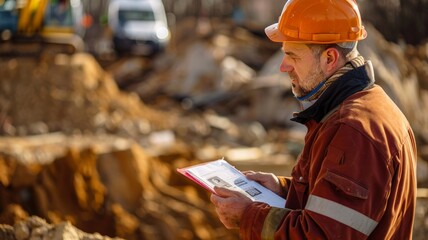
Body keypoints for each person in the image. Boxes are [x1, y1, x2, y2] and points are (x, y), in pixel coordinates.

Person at [210, 0, 417, 239]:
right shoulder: (362, 107)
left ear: (329, 58)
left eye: (293, 56)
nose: (283, 67)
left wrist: (249, 216)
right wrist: (284, 190)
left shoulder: (353, 130)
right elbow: (338, 210)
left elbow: (321, 234)